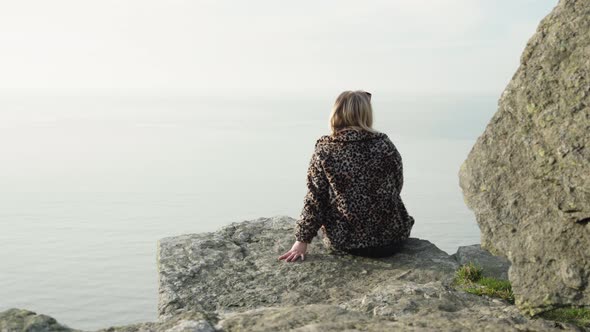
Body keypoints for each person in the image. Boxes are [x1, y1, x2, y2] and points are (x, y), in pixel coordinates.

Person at [278, 90, 415, 262]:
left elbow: (315, 199)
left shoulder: (326, 149)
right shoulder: (384, 144)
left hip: (347, 241)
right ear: (366, 113)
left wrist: (301, 240)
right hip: (391, 240)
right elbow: (397, 185)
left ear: (337, 112)